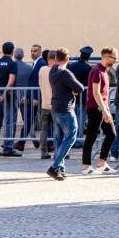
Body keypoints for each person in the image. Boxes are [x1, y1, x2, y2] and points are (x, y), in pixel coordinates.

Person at [47, 48, 84, 180]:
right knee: (71, 137)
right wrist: (72, 92)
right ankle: (55, 166)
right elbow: (80, 88)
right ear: (67, 59)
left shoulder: (52, 71)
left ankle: (60, 168)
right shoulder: (65, 73)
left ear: (56, 58)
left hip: (55, 108)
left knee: (59, 139)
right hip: (65, 109)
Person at [81, 47, 117, 174]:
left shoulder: (104, 71)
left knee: (112, 134)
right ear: (106, 56)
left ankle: (101, 163)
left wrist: (106, 110)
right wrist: (105, 111)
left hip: (102, 108)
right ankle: (86, 166)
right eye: (114, 58)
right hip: (95, 108)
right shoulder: (97, 71)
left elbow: (104, 94)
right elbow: (96, 93)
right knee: (91, 136)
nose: (115, 60)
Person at [0, 41, 19, 157]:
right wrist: (4, 94)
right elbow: (11, 80)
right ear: (12, 51)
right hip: (8, 96)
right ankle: (8, 148)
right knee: (9, 121)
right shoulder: (12, 63)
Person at [69, 46, 94, 147]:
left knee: (72, 120)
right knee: (80, 119)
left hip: (72, 96)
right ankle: (78, 140)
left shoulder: (72, 66)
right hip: (83, 97)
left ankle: (71, 139)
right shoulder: (88, 68)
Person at [13, 47, 37, 153]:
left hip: (13, 94)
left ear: (14, 55)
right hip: (26, 95)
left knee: (12, 119)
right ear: (23, 56)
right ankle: (33, 138)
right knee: (27, 119)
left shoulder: (11, 67)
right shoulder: (29, 68)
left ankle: (9, 142)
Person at [37, 50, 59, 160]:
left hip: (44, 103)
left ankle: (43, 152)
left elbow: (40, 83)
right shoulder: (58, 70)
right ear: (55, 59)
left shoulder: (42, 70)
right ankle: (57, 152)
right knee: (57, 129)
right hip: (56, 104)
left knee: (44, 130)